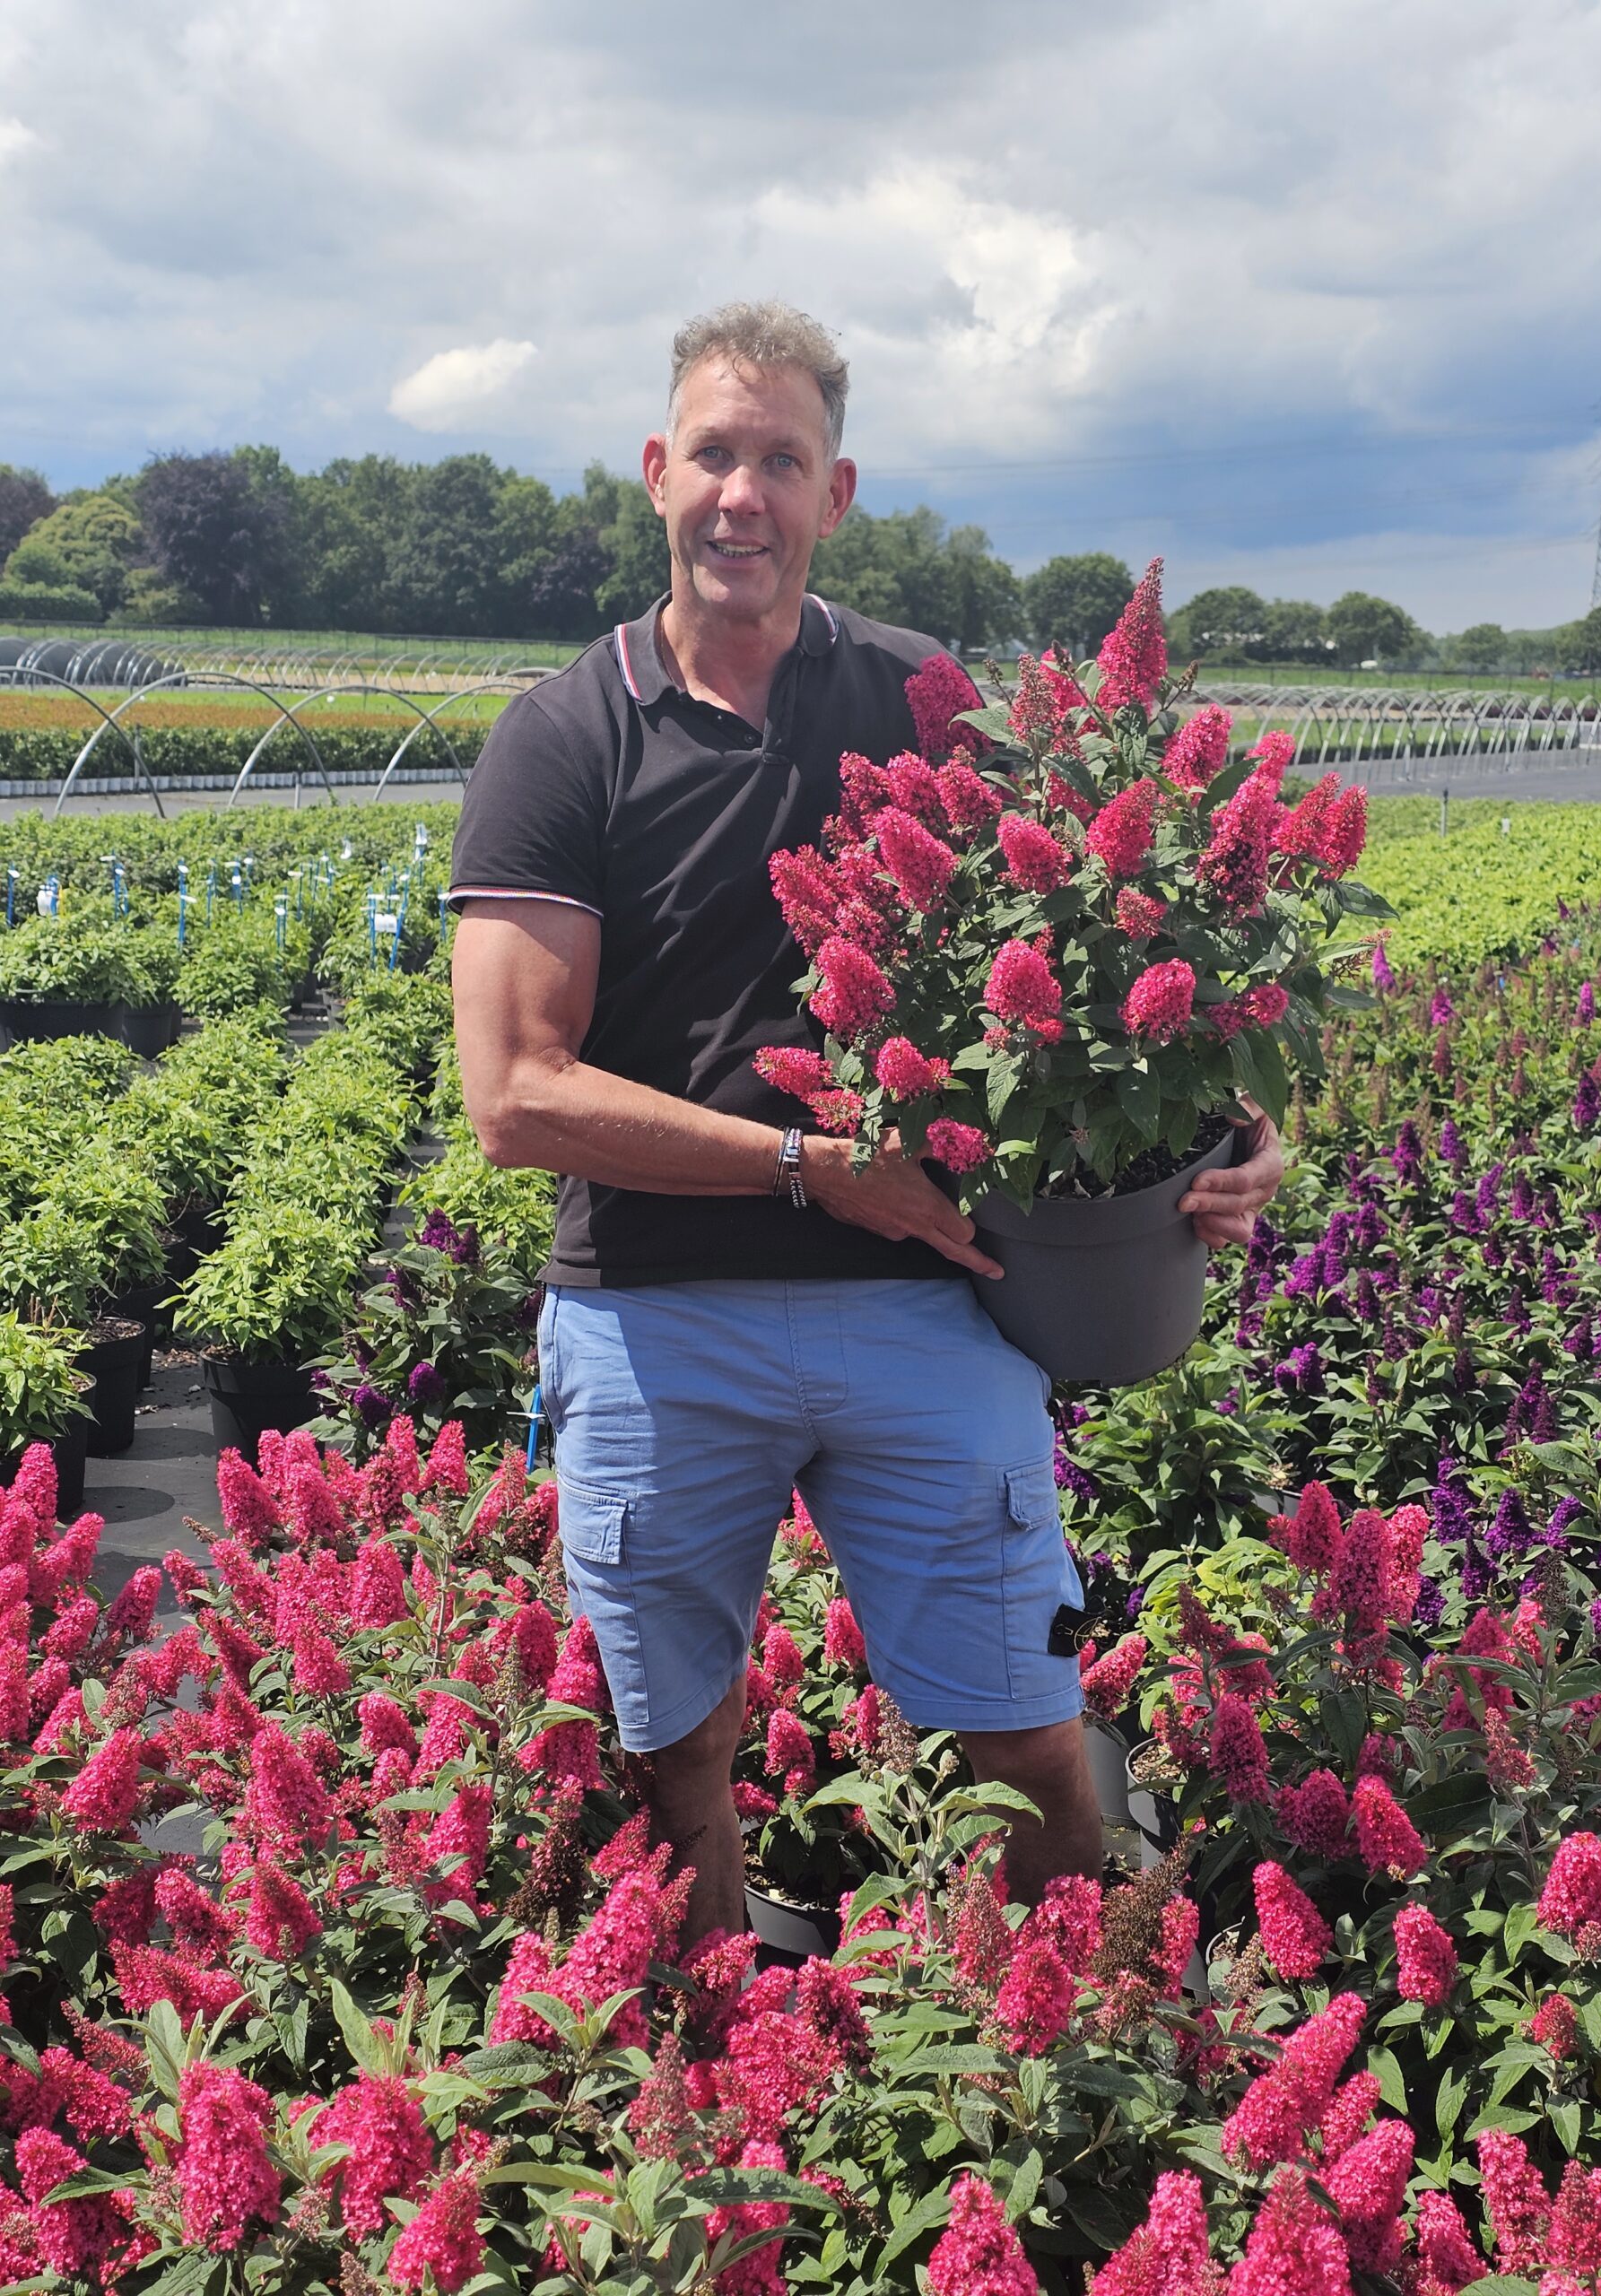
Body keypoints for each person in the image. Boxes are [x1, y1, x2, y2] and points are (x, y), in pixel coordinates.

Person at [448, 300, 1284, 1944]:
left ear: (840, 495)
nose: (742, 494)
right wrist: (809, 1168)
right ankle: (724, 2040)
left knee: (1030, 1732)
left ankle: (1052, 2029)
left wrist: (1237, 1126)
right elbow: (516, 1093)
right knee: (674, 1743)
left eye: (783, 459)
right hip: (656, 1309)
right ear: (653, 476)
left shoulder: (929, 703)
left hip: (925, 1302)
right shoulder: (563, 737)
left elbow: (1115, 953)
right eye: (713, 455)